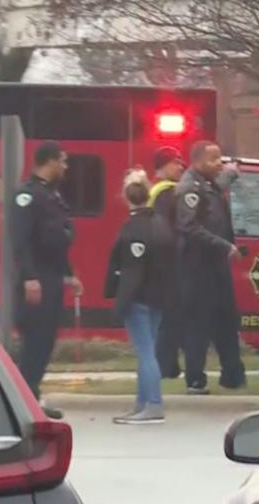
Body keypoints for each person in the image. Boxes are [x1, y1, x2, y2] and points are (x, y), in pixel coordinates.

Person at [12, 142, 83, 418]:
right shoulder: (26, 196)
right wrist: (29, 278)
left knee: (46, 341)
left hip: (52, 277)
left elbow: (57, 242)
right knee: (35, 340)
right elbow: (21, 242)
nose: (65, 167)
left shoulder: (51, 195)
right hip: (36, 278)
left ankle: (32, 397)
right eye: (63, 162)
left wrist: (69, 275)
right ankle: (22, 402)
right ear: (49, 162)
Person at [175, 140, 246, 393]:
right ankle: (195, 380)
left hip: (216, 267)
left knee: (226, 320)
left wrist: (231, 174)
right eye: (215, 160)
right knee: (198, 324)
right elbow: (188, 226)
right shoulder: (189, 188)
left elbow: (217, 188)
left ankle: (233, 376)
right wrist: (223, 246)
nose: (220, 164)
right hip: (197, 268)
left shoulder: (208, 184)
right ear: (198, 162)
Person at [105, 168, 172, 424]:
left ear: (127, 197)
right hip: (159, 297)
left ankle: (153, 404)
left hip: (139, 299)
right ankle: (141, 403)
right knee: (150, 350)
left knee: (145, 353)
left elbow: (131, 271)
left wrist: (120, 302)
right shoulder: (161, 223)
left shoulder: (133, 227)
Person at [148, 146, 185, 379]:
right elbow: (168, 229)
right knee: (170, 318)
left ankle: (168, 365)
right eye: (176, 163)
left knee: (168, 318)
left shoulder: (158, 190)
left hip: (161, 262)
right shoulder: (167, 192)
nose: (181, 167)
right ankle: (166, 367)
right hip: (169, 263)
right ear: (163, 166)